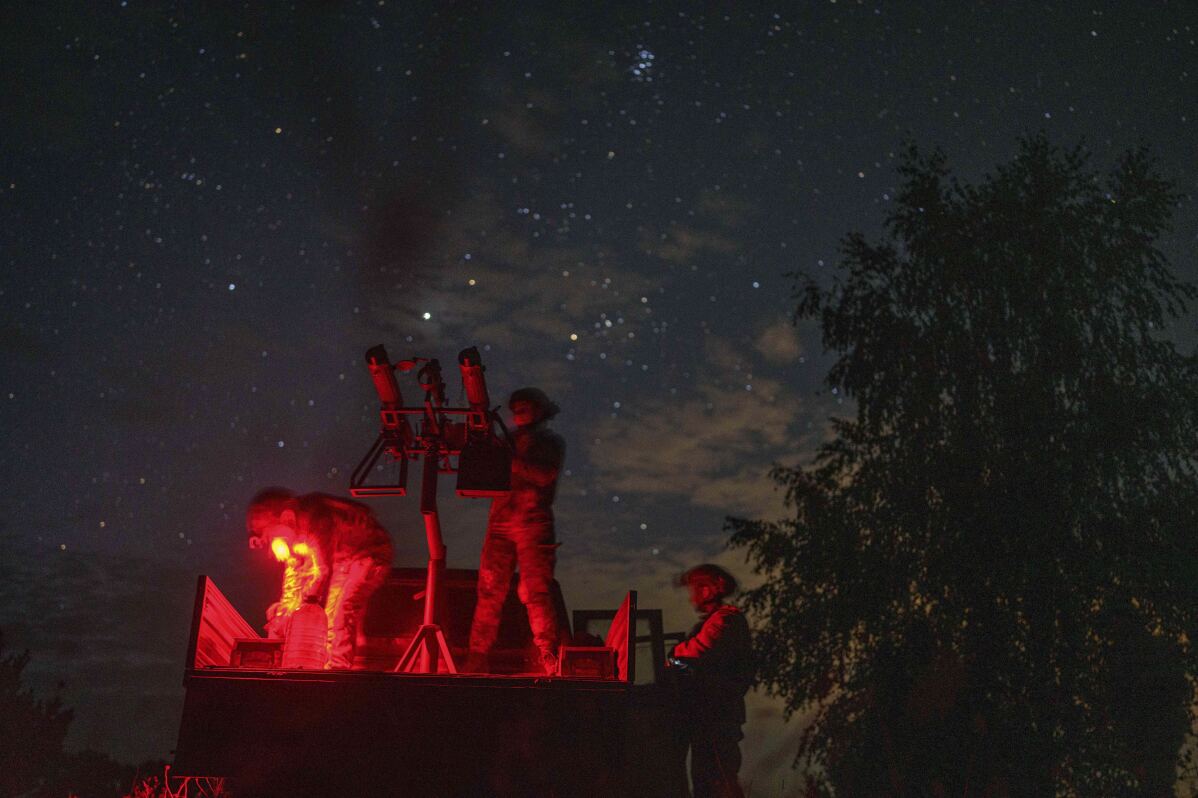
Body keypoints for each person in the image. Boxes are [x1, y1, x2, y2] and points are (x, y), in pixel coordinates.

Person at [466, 387, 566, 676]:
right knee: (489, 590)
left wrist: (507, 458)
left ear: (538, 410)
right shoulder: (504, 442)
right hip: (501, 523)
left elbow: (544, 475)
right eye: (516, 407)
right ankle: (477, 657)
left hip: (533, 523)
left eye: (526, 407)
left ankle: (548, 655)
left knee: (536, 591)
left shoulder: (549, 442)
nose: (519, 412)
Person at [247, 488, 393, 669]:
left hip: (369, 553)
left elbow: (322, 571)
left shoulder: (315, 520)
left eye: (269, 534)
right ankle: (331, 667)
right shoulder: (292, 535)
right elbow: (295, 579)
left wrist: (301, 612)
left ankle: (337, 671)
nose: (271, 542)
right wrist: (283, 615)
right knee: (330, 617)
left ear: (284, 517)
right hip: (343, 559)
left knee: (342, 612)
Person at [669, 564, 753, 798]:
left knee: (719, 783)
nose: (691, 598)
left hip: (718, 718)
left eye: (695, 589)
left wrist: (673, 657)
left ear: (707, 590)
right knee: (706, 784)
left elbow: (695, 654)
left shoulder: (726, 621)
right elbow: (685, 665)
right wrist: (673, 663)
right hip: (707, 719)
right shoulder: (711, 624)